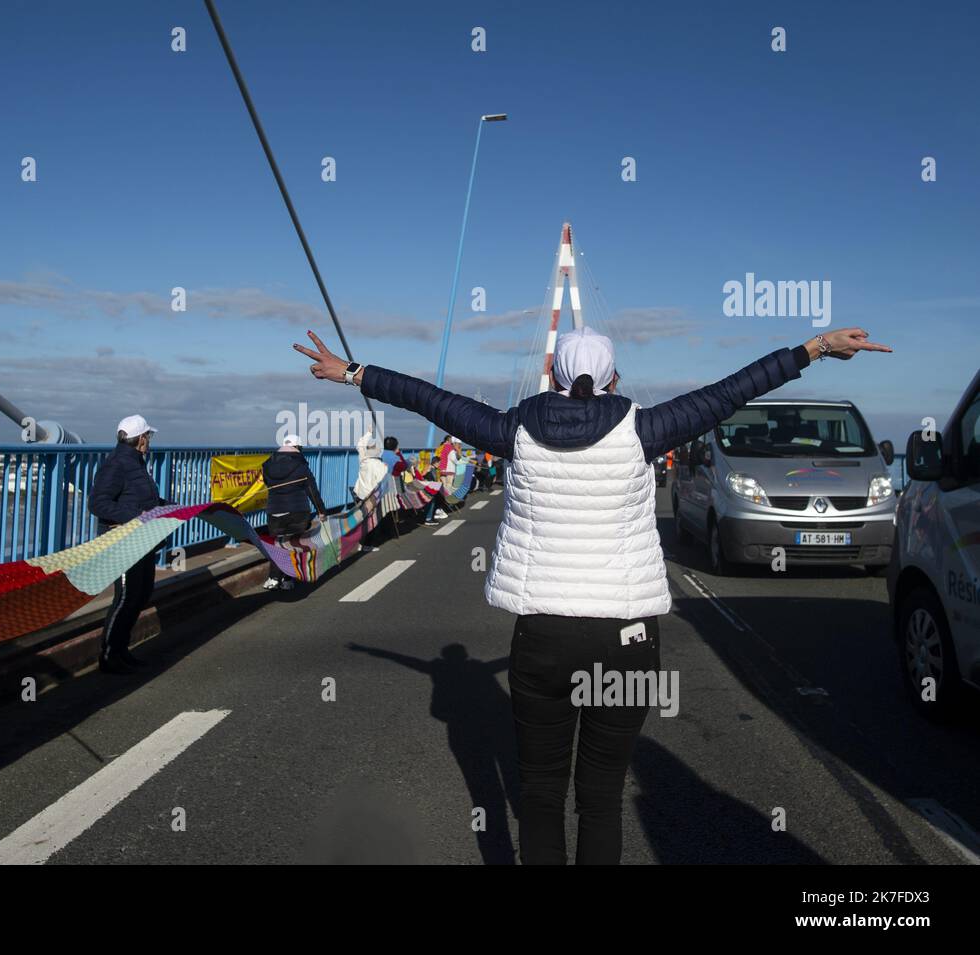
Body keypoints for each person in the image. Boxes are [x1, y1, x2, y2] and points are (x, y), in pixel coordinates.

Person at [293, 325, 890, 864]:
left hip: (543, 637)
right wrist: (813, 349)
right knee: (601, 797)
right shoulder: (646, 429)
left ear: (551, 374)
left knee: (540, 791)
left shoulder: (512, 429)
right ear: (613, 379)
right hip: (626, 637)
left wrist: (350, 373)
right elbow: (731, 391)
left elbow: (427, 397)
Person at [89, 414, 166, 673]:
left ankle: (121, 650)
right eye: (149, 436)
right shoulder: (117, 464)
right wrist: (137, 518)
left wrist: (169, 506)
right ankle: (109, 656)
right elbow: (98, 503)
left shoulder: (135, 462)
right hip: (122, 541)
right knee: (125, 597)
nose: (150, 441)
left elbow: (139, 498)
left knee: (141, 593)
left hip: (141, 539)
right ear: (141, 439)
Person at [260, 435, 327, 590]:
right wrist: (321, 511)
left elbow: (267, 483)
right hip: (297, 511)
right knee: (293, 544)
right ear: (298, 448)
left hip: (274, 510)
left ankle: (274, 578)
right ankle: (287, 579)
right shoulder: (300, 465)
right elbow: (312, 490)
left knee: (279, 543)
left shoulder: (268, 465)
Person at [352, 430, 391, 552]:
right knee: (372, 521)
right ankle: (367, 545)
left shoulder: (363, 460)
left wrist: (368, 433)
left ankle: (359, 543)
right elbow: (384, 483)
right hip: (372, 497)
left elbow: (360, 445)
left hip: (359, 494)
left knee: (362, 520)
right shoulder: (380, 466)